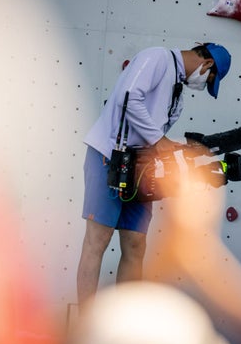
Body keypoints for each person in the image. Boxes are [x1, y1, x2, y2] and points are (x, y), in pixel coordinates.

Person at [76, 42, 232, 306]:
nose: (203, 85)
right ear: (207, 65)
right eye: (209, 80)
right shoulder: (157, 58)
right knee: (97, 241)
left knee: (136, 245)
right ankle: (86, 324)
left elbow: (155, 135)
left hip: (141, 167)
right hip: (108, 157)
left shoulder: (178, 94)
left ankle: (124, 324)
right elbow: (127, 96)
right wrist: (159, 140)